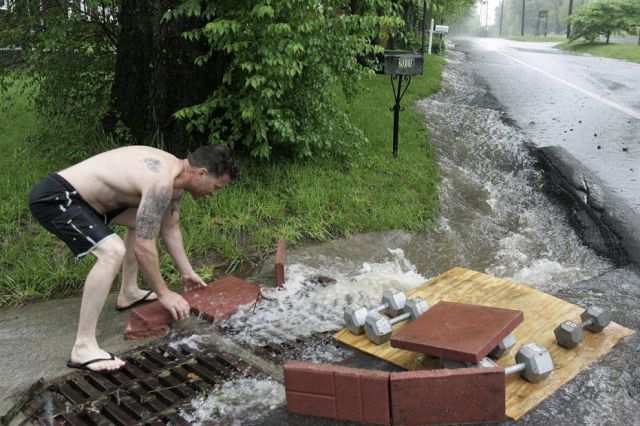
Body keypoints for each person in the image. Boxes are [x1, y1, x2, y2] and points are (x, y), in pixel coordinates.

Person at [28, 144, 239, 372]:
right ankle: (83, 346)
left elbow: (169, 228)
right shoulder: (161, 181)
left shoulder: (175, 182)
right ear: (202, 173)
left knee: (144, 221)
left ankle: (128, 292)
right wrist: (163, 293)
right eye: (216, 187)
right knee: (112, 252)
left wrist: (186, 272)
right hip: (58, 197)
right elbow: (143, 245)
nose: (214, 193)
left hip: (89, 202)